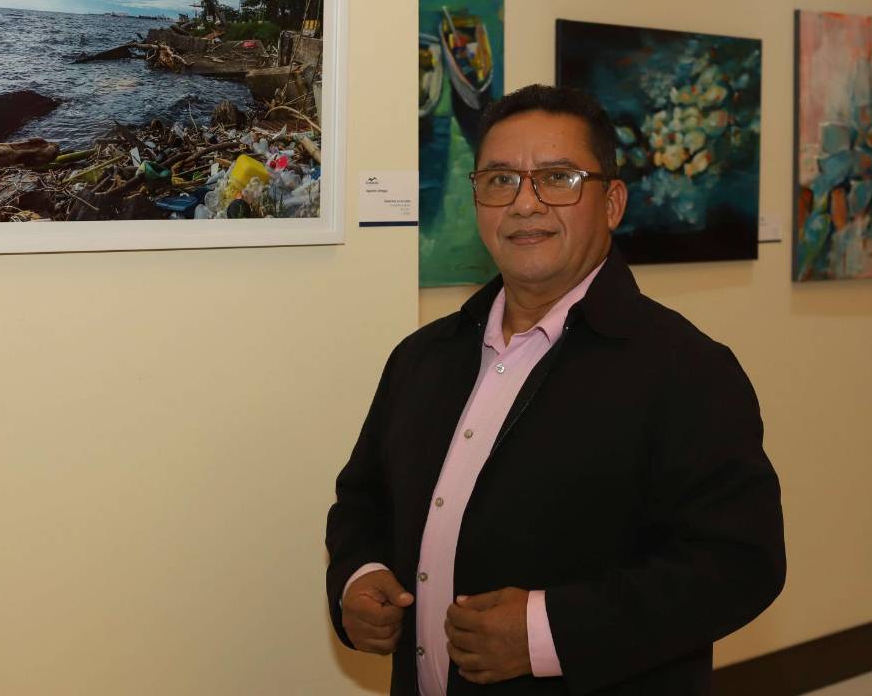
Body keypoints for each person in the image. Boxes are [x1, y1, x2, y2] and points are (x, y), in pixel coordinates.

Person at [325, 84, 786, 696]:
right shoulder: (421, 358)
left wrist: (548, 632)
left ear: (613, 201)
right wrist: (361, 575)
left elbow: (740, 564)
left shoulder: (685, 370)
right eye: (499, 180)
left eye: (558, 178)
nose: (525, 204)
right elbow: (361, 499)